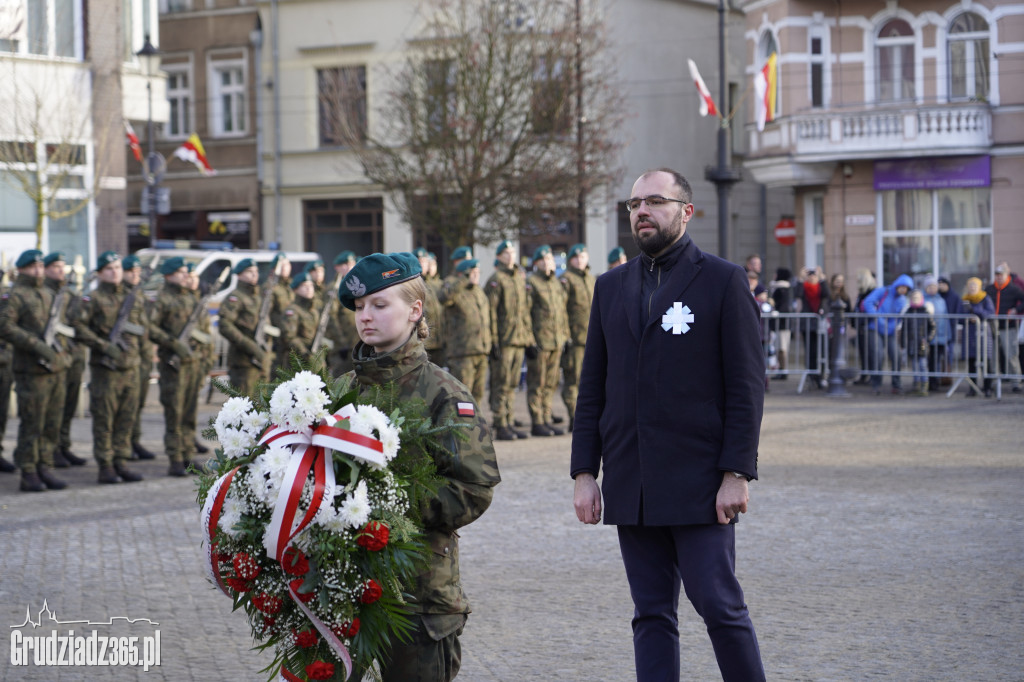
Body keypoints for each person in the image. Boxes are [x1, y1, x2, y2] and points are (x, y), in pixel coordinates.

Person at [571, 168, 765, 682]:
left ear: (686, 210)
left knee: (719, 606)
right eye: (634, 204)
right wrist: (584, 472)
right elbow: (593, 386)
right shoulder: (610, 286)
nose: (641, 212)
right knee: (651, 614)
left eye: (655, 201)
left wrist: (736, 473)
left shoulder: (722, 280)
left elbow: (746, 388)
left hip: (700, 481)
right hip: (633, 481)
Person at [339, 252, 500, 682]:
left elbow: (475, 487)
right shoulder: (339, 391)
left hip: (418, 592)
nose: (365, 317)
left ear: (415, 310)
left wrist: (392, 504)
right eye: (359, 308)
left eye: (379, 304)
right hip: (341, 585)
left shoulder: (443, 393)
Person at [0, 250, 73, 492]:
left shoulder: (49, 293)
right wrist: (37, 345)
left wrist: (65, 353)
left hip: (54, 367)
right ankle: (29, 470)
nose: (38, 271)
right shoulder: (16, 296)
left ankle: (46, 466)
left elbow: (60, 328)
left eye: (41, 266)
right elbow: (6, 327)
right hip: (30, 369)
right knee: (32, 422)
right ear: (21, 269)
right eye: (33, 267)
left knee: (52, 421)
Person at [73, 252, 148, 484]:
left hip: (131, 367)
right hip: (106, 370)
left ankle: (121, 461)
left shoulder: (132, 297)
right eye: (109, 268)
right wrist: (104, 346)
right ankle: (105, 466)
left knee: (126, 418)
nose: (115, 271)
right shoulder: (92, 298)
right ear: (100, 273)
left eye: (117, 267)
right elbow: (78, 327)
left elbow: (143, 327)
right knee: (105, 420)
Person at [146, 256, 205, 477]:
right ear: (169, 275)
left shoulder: (191, 297)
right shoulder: (162, 300)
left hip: (192, 362)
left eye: (185, 272)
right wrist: (173, 343)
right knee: (175, 412)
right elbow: (150, 328)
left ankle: (189, 454)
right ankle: (175, 458)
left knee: (190, 412)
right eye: (180, 272)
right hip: (174, 365)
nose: (185, 275)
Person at [485, 240, 535, 441]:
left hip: (519, 338)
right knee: (501, 382)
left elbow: (525, 312)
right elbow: (491, 313)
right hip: (504, 340)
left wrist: (529, 338)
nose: (510, 255)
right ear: (498, 257)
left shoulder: (519, 278)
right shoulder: (496, 279)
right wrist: (494, 341)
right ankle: (500, 422)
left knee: (513, 383)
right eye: (506, 252)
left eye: (512, 251)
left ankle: (509, 419)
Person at [42, 252, 84, 469]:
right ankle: (53, 449)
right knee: (54, 407)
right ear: (46, 269)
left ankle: (63, 445)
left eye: (62, 266)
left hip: (73, 355)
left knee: (69, 403)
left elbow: (76, 323)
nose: (60, 270)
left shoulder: (68, 293)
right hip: (55, 356)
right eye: (56, 266)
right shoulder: (45, 293)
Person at [525, 245, 569, 437]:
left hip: (556, 341)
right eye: (542, 260)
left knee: (551, 383)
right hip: (540, 341)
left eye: (549, 259)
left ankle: (547, 417)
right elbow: (524, 313)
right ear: (536, 263)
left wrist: (566, 336)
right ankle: (537, 421)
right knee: (538, 383)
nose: (546, 262)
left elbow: (562, 313)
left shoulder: (556, 283)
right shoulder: (532, 283)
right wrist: (529, 340)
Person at [440, 258, 491, 406]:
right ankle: (463, 426)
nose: (476, 275)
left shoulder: (478, 291)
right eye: (472, 273)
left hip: (481, 349)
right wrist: (462, 281)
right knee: (463, 395)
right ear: (464, 274)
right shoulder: (456, 289)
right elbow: (444, 298)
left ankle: (476, 425)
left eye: (477, 272)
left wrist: (490, 343)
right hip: (462, 352)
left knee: (478, 393)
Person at [218, 259, 271, 394]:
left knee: (262, 406)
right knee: (245, 407)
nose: (254, 275)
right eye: (249, 272)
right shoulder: (235, 297)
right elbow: (225, 325)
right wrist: (250, 346)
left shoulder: (258, 297)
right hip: (243, 362)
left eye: (256, 271)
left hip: (262, 358)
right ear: (239, 274)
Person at [123, 254, 157, 461]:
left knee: (138, 402)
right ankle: (125, 443)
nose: (136, 276)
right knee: (128, 404)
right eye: (131, 272)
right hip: (128, 356)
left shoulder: (139, 295)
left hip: (142, 355)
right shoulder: (124, 296)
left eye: (138, 272)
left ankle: (134, 440)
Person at [560, 243, 595, 432]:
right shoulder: (567, 279)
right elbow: (561, 310)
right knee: (573, 380)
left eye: (583, 256)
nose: (580, 260)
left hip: (591, 338)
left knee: (589, 380)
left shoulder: (591, 279)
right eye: (576, 257)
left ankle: (588, 416)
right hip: (575, 339)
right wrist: (566, 336)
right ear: (570, 260)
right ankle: (575, 417)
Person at [862, 273, 913, 394]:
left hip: (889, 331)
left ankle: (896, 384)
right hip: (874, 328)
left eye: (906, 288)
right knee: (877, 355)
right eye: (902, 287)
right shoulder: (883, 291)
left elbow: (900, 317)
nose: (903, 290)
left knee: (896, 355)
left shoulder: (902, 300)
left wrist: (891, 326)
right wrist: (878, 318)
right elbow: (867, 302)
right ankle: (876, 384)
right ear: (897, 285)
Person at [985, 263, 1024, 393]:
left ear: (1006, 275)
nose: (999, 277)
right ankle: (995, 381)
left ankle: (1016, 382)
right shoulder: (990, 289)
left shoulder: (1014, 289)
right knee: (993, 356)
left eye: (1001, 275)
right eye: (997, 274)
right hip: (992, 328)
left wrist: (1016, 310)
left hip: (1009, 327)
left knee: (1012, 355)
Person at [793, 265, 831, 389]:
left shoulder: (821, 287)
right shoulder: (803, 287)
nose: (812, 277)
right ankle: (811, 375)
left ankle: (821, 376)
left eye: (814, 275)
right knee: (811, 351)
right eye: (810, 275)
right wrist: (800, 279)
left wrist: (823, 278)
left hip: (820, 324)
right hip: (808, 325)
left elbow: (827, 294)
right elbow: (797, 294)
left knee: (823, 351)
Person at [326, 251, 359, 376]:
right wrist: (341, 343)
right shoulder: (334, 288)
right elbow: (331, 318)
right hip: (343, 345)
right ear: (337, 268)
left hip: (357, 341)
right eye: (345, 264)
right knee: (342, 379)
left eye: (351, 263)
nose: (349, 267)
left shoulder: (358, 285)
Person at [962, 277, 995, 397]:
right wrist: (967, 318)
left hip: (984, 335)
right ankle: (973, 388)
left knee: (986, 362)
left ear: (979, 287)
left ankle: (988, 388)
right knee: (971, 363)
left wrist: (975, 311)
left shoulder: (985, 298)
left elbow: (990, 314)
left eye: (974, 286)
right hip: (969, 335)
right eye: (970, 286)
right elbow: (959, 316)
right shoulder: (965, 300)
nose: (972, 288)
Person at [277, 271, 318, 366]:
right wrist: (305, 353)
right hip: (297, 361)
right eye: (304, 286)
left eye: (311, 286)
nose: (309, 289)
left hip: (314, 359)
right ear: (295, 290)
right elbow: (289, 337)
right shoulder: (292, 311)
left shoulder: (313, 311)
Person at [901, 289, 936, 396]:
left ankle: (924, 386)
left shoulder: (925, 311)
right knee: (915, 365)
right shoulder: (908, 312)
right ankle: (916, 385)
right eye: (914, 298)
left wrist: (928, 339)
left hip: (922, 344)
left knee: (923, 365)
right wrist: (903, 343)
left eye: (918, 298)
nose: (915, 300)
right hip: (912, 343)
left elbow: (933, 327)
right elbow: (904, 329)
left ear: (921, 299)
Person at [415, 247, 446, 366]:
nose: (424, 265)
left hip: (439, 340)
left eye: (425, 262)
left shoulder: (434, 284)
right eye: (421, 262)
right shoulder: (416, 285)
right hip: (424, 340)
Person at [922, 276, 950, 392]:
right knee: (929, 361)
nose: (932, 289)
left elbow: (946, 319)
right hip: (928, 338)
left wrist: (948, 336)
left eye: (934, 286)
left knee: (938, 360)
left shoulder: (941, 301)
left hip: (941, 336)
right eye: (929, 287)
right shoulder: (923, 301)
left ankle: (936, 382)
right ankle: (929, 382)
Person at [852, 268, 877, 384]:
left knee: (871, 352)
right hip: (861, 326)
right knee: (863, 351)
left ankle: (873, 376)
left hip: (870, 326)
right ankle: (864, 374)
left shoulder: (873, 292)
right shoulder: (861, 293)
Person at [767, 267, 792, 380]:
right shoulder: (778, 288)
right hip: (778, 323)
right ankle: (781, 369)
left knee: (782, 348)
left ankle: (783, 370)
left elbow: (783, 306)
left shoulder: (783, 289)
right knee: (778, 348)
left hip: (782, 323)